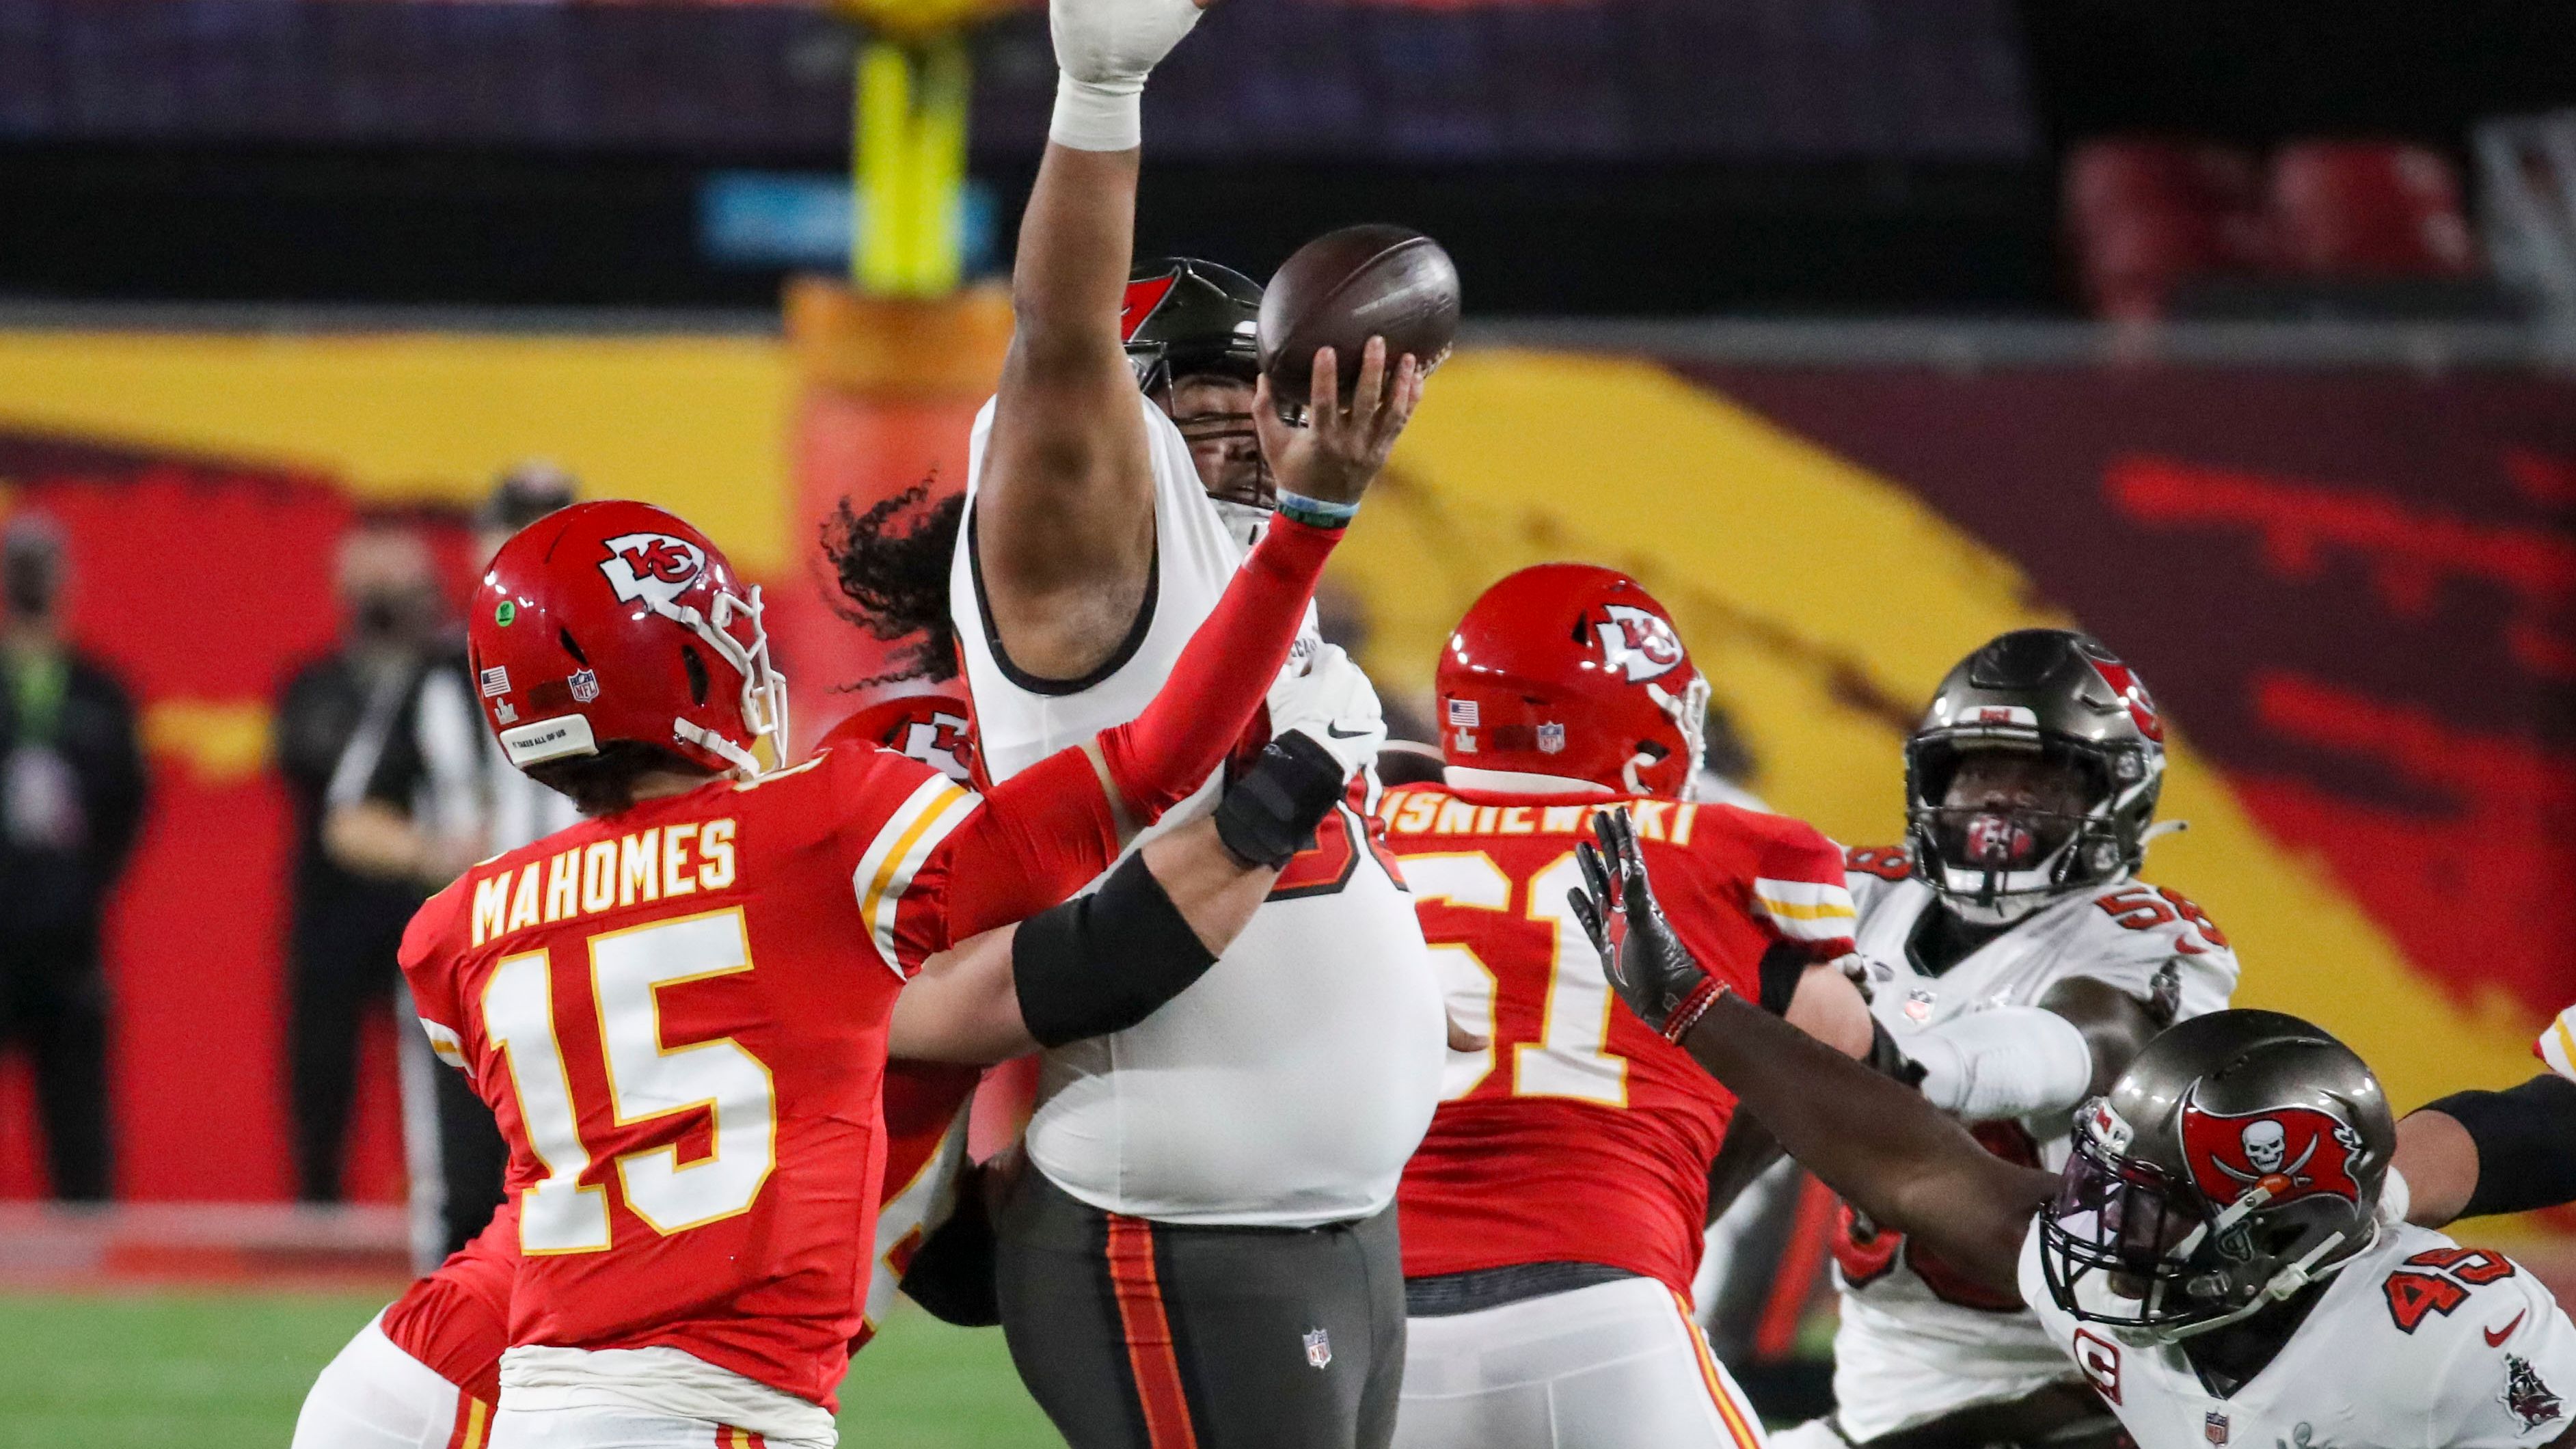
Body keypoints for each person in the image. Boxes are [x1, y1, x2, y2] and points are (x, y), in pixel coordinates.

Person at [391, 473, 1385, 1447]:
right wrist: (1305, 536)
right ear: (687, 667)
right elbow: (1139, 785)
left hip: (518, 1392)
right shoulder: (820, 826)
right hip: (710, 1409)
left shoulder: (455, 930)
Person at [946, 0, 1446, 1439]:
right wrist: (1099, 94)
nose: (1240, 426)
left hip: (1336, 1219)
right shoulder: (1091, 567)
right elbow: (1058, 355)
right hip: (1178, 1221)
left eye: (1261, 393)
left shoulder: (1276, 599)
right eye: (1196, 404)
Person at [1572, 817, 2576, 1449]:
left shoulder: (2447, 1340)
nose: (2097, 1227)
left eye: (2151, 1203)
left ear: (2274, 1240)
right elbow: (1917, 1169)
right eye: (2112, 1183)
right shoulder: (2129, 1274)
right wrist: (1698, 1008)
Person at [1377, 565, 1875, 1449]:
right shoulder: (1719, 846)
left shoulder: (1367, 828)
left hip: (1369, 1321)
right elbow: (1841, 1056)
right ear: (1641, 722)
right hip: (1599, 1302)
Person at [1761, 628, 2240, 1449]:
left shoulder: (2140, 933)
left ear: (2113, 795)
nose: (1998, 800)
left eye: (2039, 776)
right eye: (1979, 769)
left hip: (2078, 1381)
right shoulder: (1863, 892)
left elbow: (2083, 1039)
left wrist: (1899, 1062)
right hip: (1886, 1379)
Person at [398, 463, 586, 1271]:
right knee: (469, 1193)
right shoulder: (441, 673)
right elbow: (354, 815)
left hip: (595, 940)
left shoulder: (617, 652)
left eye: (550, 524)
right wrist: (437, 849)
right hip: (479, 953)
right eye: (516, 524)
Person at [275, 520, 483, 1203]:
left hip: (432, 910)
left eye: (403, 588)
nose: (389, 603)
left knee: (449, 1072)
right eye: (374, 589)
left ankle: (453, 1198)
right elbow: (319, 774)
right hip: (337, 908)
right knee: (323, 1072)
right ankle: (317, 1213)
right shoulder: (318, 685)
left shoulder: (456, 682)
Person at [0, 511, 145, 1202]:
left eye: (43, 564)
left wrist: (81, 885)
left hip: (68, 938)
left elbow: (129, 806)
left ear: (68, 578)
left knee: (80, 1122)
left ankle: (99, 1277)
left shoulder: (99, 692)